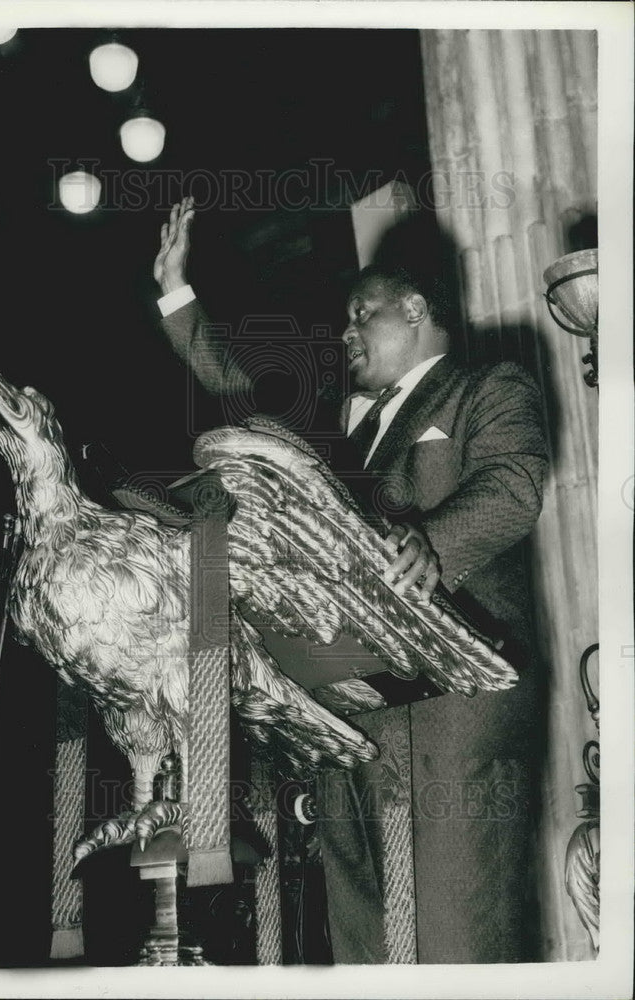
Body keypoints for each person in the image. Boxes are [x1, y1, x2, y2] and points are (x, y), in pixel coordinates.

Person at [152, 197, 549, 963]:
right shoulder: (346, 429)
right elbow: (245, 399)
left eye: (362, 313)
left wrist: (433, 541)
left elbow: (512, 485)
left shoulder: (487, 387)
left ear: (417, 309)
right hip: (355, 713)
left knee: (455, 926)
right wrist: (177, 294)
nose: (345, 332)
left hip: (456, 716)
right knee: (368, 932)